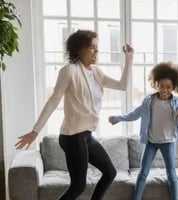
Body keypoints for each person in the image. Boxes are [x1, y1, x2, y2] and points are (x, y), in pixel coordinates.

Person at [15, 30, 134, 200]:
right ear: (79, 50)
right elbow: (53, 101)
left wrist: (129, 59)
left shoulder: (96, 72)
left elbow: (122, 86)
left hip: (86, 135)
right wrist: (35, 131)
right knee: (78, 186)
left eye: (97, 47)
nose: (96, 51)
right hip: (72, 136)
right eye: (92, 48)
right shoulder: (69, 71)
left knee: (110, 172)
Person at [108, 62, 178, 200]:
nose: (165, 90)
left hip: (168, 143)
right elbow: (135, 114)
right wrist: (118, 118)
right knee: (142, 173)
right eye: (162, 86)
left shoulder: (177, 102)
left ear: (173, 87)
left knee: (172, 174)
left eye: (168, 87)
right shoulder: (149, 101)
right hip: (151, 142)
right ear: (156, 84)